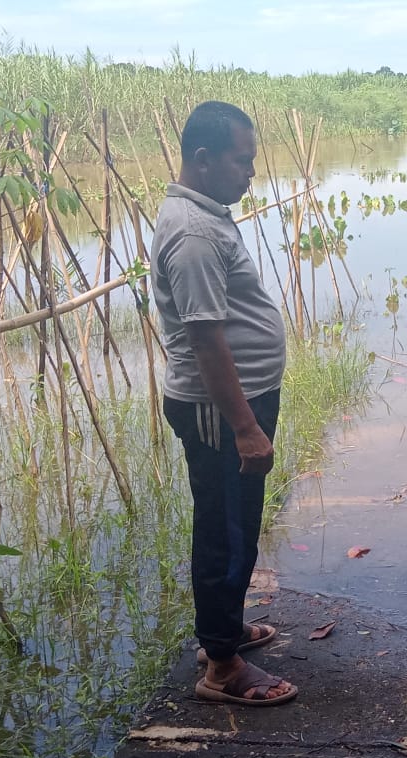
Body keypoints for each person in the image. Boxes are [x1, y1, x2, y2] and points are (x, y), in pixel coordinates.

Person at [152, 100, 297, 707]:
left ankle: (226, 629)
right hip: (221, 411)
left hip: (236, 403)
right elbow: (206, 340)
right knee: (227, 530)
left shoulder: (204, 216)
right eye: (243, 161)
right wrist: (245, 427)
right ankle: (222, 665)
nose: (251, 174)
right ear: (204, 159)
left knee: (235, 521)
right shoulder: (193, 235)